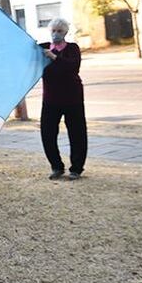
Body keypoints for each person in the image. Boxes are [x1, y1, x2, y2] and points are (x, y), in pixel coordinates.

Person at [38, 17, 87, 181]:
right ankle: (56, 166)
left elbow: (73, 67)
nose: (56, 34)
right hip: (50, 98)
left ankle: (77, 168)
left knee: (77, 133)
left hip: (72, 98)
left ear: (66, 32)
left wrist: (54, 57)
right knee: (47, 133)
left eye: (59, 31)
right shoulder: (42, 48)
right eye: (53, 30)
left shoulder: (72, 48)